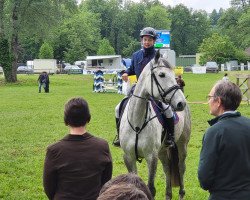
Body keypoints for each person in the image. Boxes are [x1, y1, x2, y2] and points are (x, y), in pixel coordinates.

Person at [113, 27, 175, 148]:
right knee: (118, 108)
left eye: (149, 40)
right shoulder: (136, 55)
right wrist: (125, 73)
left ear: (154, 41)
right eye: (145, 39)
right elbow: (131, 70)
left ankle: (170, 136)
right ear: (142, 40)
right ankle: (120, 136)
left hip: (154, 90)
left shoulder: (158, 56)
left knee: (167, 109)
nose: (147, 42)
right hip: (138, 90)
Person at [43, 97, 113, 200]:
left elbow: (49, 187)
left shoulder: (54, 150)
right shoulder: (102, 146)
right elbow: (106, 181)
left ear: (66, 120)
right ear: (88, 118)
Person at [198, 80, 250, 200]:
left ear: (218, 101)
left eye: (210, 97)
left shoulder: (214, 132)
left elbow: (204, 177)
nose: (208, 101)